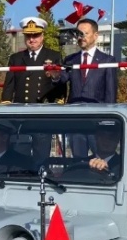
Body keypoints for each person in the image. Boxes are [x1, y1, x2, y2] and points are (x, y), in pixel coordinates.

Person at [1, 16, 66, 163]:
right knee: (18, 159)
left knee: (41, 158)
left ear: (42, 36)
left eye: (35, 35)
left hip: (42, 117)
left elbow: (60, 84)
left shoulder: (53, 56)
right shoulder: (16, 58)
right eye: (28, 36)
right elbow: (8, 86)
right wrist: (7, 111)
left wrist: (58, 104)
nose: (32, 39)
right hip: (20, 118)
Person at [50, 18, 117, 158]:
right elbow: (62, 79)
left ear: (96, 35)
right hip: (77, 121)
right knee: (78, 160)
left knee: (101, 159)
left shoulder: (107, 60)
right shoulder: (70, 60)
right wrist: (55, 75)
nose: (81, 38)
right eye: (78, 34)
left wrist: (108, 121)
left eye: (85, 33)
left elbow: (111, 93)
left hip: (98, 122)